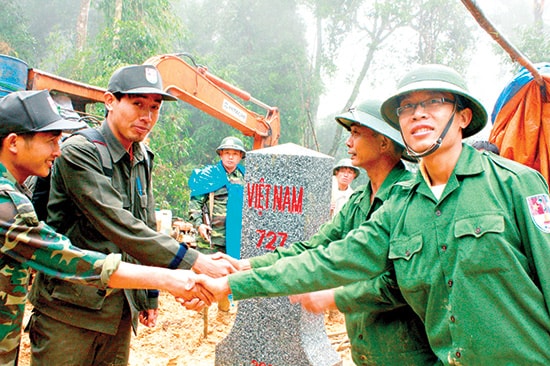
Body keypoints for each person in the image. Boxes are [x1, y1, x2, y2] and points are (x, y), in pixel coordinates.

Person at [200, 64, 550, 365]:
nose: (419, 113)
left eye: (434, 102)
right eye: (407, 107)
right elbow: (329, 258)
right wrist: (233, 282)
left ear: (463, 116)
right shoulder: (402, 206)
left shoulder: (514, 185)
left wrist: (333, 297)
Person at [28, 65, 235, 365]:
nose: (147, 116)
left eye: (154, 107)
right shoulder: (79, 152)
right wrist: (196, 261)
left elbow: (145, 222)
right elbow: (119, 224)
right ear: (110, 101)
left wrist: (148, 296)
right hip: (69, 310)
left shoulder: (141, 156)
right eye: (137, 104)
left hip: (118, 311)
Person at [220, 99, 435, 365]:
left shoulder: (411, 199)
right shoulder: (359, 202)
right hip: (368, 350)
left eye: (356, 133)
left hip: (407, 354)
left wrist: (332, 297)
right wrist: (247, 264)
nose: (349, 143)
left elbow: (397, 284)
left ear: (384, 142)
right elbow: (314, 248)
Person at [188, 136, 246, 258]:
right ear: (221, 154)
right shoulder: (208, 175)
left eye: (235, 154)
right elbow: (195, 205)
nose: (230, 157)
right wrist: (199, 225)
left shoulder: (246, 177)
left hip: (236, 238)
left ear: (240, 156)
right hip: (211, 239)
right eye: (227, 153)